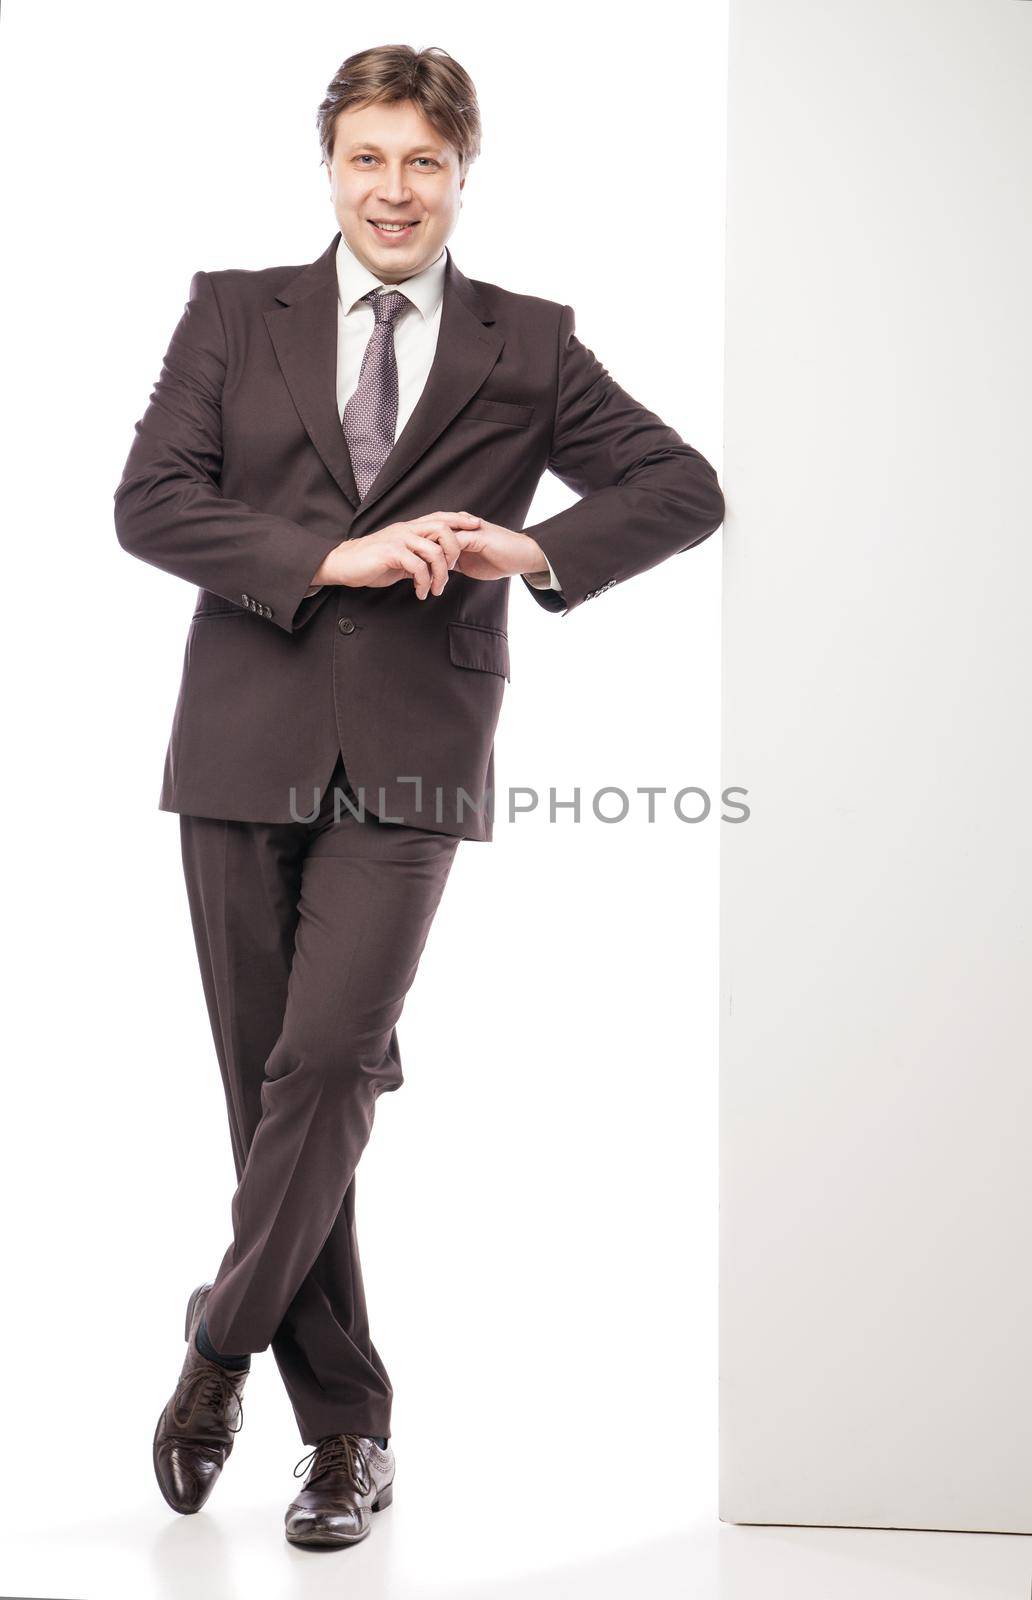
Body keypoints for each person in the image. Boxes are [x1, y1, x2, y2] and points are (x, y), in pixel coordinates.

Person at [114, 42, 725, 1552]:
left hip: (412, 750)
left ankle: (219, 1343)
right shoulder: (231, 311)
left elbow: (682, 484)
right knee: (274, 1097)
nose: (396, 191)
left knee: (325, 1070)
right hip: (242, 738)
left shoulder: (529, 344)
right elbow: (152, 502)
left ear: (464, 173)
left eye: (425, 163)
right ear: (330, 166)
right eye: (370, 160)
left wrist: (534, 548)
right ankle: (349, 1440)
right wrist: (327, 558)